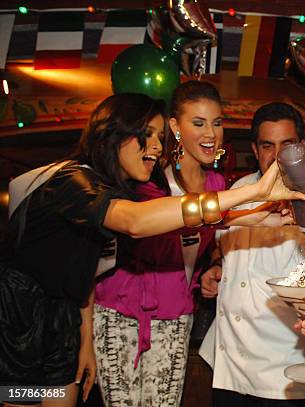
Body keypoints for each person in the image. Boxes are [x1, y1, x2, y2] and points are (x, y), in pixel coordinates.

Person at [0, 93, 305, 407]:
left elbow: (87, 268)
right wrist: (254, 191)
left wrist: (256, 218)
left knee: (62, 399)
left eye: (160, 137)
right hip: (18, 313)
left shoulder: (114, 189)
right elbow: (135, 222)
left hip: (63, 316)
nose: (158, 147)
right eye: (147, 136)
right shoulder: (73, 180)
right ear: (112, 135)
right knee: (20, 400)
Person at [93, 82, 286, 406]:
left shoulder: (216, 183)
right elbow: (153, 227)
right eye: (198, 123)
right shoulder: (151, 178)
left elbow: (208, 241)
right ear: (175, 127)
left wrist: (215, 264)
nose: (211, 133)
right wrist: (245, 205)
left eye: (217, 122)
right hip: (124, 312)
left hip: (179, 313)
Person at [199, 102, 305, 406]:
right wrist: (216, 267)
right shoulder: (239, 189)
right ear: (255, 149)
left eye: (286, 145)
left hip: (283, 377)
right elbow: (226, 248)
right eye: (267, 146)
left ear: (302, 148)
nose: (277, 156)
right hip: (228, 368)